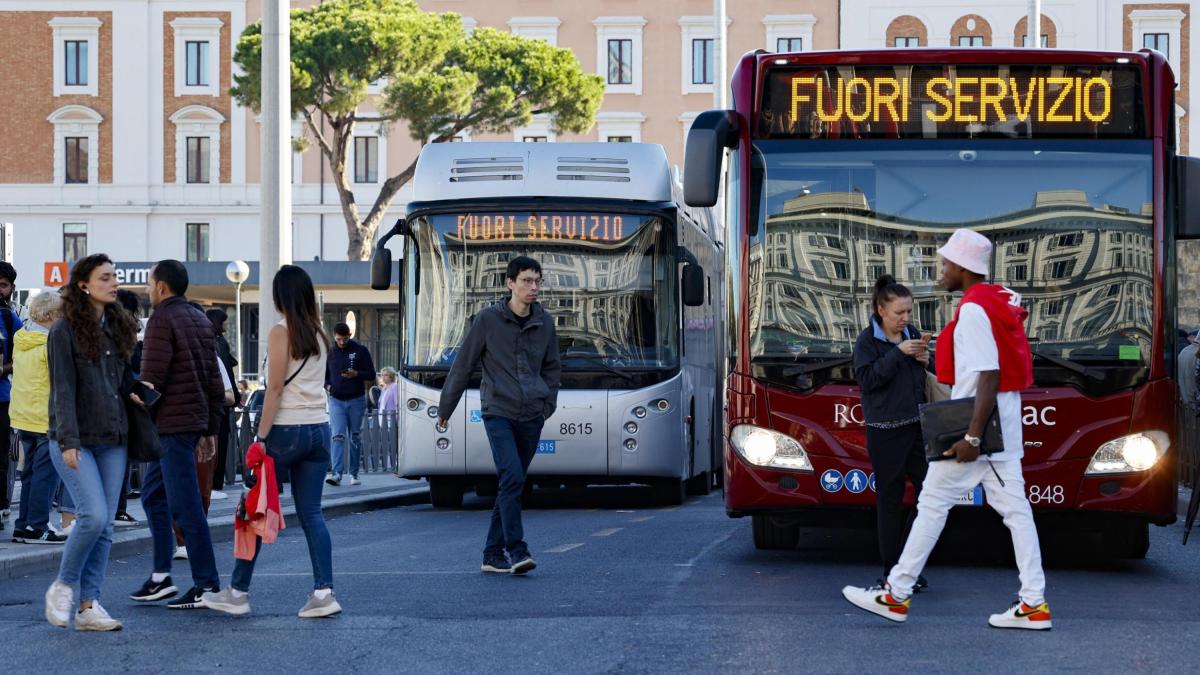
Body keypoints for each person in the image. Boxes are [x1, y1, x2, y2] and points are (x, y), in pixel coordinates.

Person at [843, 228, 1051, 630]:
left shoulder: (973, 310)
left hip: (978, 429)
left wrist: (972, 437)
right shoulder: (994, 301)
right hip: (999, 427)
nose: (941, 269)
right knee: (1014, 513)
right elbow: (988, 372)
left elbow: (988, 374)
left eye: (946, 262)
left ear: (962, 266)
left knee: (933, 505)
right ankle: (1033, 602)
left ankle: (896, 594)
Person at [201, 265, 341, 618]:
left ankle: (238, 593)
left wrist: (261, 439)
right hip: (318, 430)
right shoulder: (321, 334)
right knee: (311, 514)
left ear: (281, 297)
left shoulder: (282, 332)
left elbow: (275, 389)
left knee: (253, 510)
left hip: (286, 431)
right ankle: (324, 593)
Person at [437, 256, 561, 576]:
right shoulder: (488, 320)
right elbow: (463, 365)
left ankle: (492, 554)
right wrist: (445, 409)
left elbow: (552, 368)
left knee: (510, 482)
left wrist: (547, 404)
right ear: (510, 284)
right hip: (499, 412)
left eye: (537, 281)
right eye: (526, 281)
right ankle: (517, 550)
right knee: (513, 477)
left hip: (532, 413)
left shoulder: (545, 322)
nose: (533, 287)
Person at [44, 254, 141, 630]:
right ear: (84, 284)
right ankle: (64, 586)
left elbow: (120, 380)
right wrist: (67, 441)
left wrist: (138, 390)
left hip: (114, 436)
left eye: (115, 276)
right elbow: (62, 391)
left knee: (106, 526)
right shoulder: (63, 330)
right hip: (76, 439)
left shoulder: (116, 326)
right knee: (94, 515)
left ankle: (88, 607)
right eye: (105, 277)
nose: (114, 282)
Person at [129, 260, 226, 610]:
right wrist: (211, 428)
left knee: (186, 508)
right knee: (154, 497)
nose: (146, 289)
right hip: (189, 423)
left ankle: (207, 585)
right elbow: (214, 380)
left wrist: (131, 399)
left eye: (150, 283)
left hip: (172, 426)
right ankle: (161, 577)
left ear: (163, 287)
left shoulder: (161, 320)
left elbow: (152, 381)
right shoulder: (199, 318)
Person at [852, 275, 929, 589]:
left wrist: (925, 359)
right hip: (884, 431)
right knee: (890, 500)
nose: (906, 318)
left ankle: (907, 564)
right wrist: (899, 354)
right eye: (899, 312)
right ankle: (892, 570)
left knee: (931, 495)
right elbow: (867, 380)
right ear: (881, 311)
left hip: (917, 427)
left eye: (909, 311)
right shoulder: (866, 341)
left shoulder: (910, 334)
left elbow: (919, 378)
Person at [10, 289, 68, 545]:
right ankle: (38, 526)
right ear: (52, 314)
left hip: (23, 416)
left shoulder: (21, 338)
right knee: (46, 475)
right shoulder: (50, 343)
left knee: (31, 474)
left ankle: (23, 526)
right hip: (45, 417)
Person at [324, 322, 375, 486]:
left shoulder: (360, 350)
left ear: (350, 335)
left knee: (354, 436)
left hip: (356, 399)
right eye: (339, 339)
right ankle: (336, 474)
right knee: (337, 436)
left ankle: (354, 473)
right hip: (336, 400)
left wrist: (356, 374)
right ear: (334, 336)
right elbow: (323, 376)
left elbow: (372, 374)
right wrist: (328, 386)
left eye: (344, 339)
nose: (341, 342)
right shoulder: (330, 352)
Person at [112, 289, 142, 527]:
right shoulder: (126, 334)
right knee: (121, 459)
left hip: (113, 402)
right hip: (125, 402)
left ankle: (116, 508)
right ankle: (117, 509)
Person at [0, 261, 24, 526]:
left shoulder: (14, 316)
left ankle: (3, 502)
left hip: (5, 395)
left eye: (3, 286)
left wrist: (3, 368)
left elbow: (23, 356)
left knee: (3, 452)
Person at [207, 307, 238, 492]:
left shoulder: (217, 342)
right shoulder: (218, 343)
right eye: (225, 321)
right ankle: (215, 484)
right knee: (219, 444)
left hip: (221, 400)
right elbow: (226, 372)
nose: (227, 324)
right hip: (221, 403)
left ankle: (214, 484)